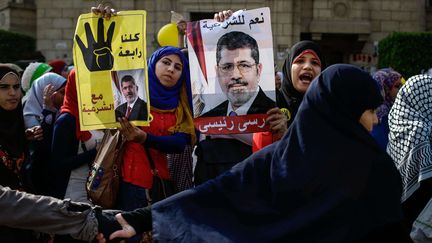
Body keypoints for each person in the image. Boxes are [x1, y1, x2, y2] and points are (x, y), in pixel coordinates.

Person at [99, 64, 410, 242]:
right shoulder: (374, 168)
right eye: (369, 110)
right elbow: (214, 191)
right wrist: (141, 218)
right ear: (347, 111)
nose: (376, 119)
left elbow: (212, 195)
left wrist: (142, 219)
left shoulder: (281, 158)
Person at [116, 46, 196, 242]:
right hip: (130, 181)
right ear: (153, 64)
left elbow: (180, 142)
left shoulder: (181, 104)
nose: (171, 70)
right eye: (166, 63)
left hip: (160, 185)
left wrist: (145, 138)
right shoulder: (131, 97)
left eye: (178, 67)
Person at [387, 74, 432, 232]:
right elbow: (426, 181)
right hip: (417, 216)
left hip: (393, 208)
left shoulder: (396, 120)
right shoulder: (420, 130)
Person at [201, 31, 275, 117]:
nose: (235, 75)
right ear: (217, 73)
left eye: (244, 65)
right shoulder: (208, 119)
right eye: (227, 67)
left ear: (258, 71)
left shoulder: (277, 114)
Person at [22, 72, 67, 194]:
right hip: (36, 185)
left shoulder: (61, 114)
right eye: (62, 92)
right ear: (45, 93)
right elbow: (44, 147)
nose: (66, 97)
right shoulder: (28, 118)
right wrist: (47, 110)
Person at [370, 68, 403, 150]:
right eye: (397, 86)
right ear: (385, 88)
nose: (401, 89)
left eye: (401, 85)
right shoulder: (380, 112)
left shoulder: (395, 108)